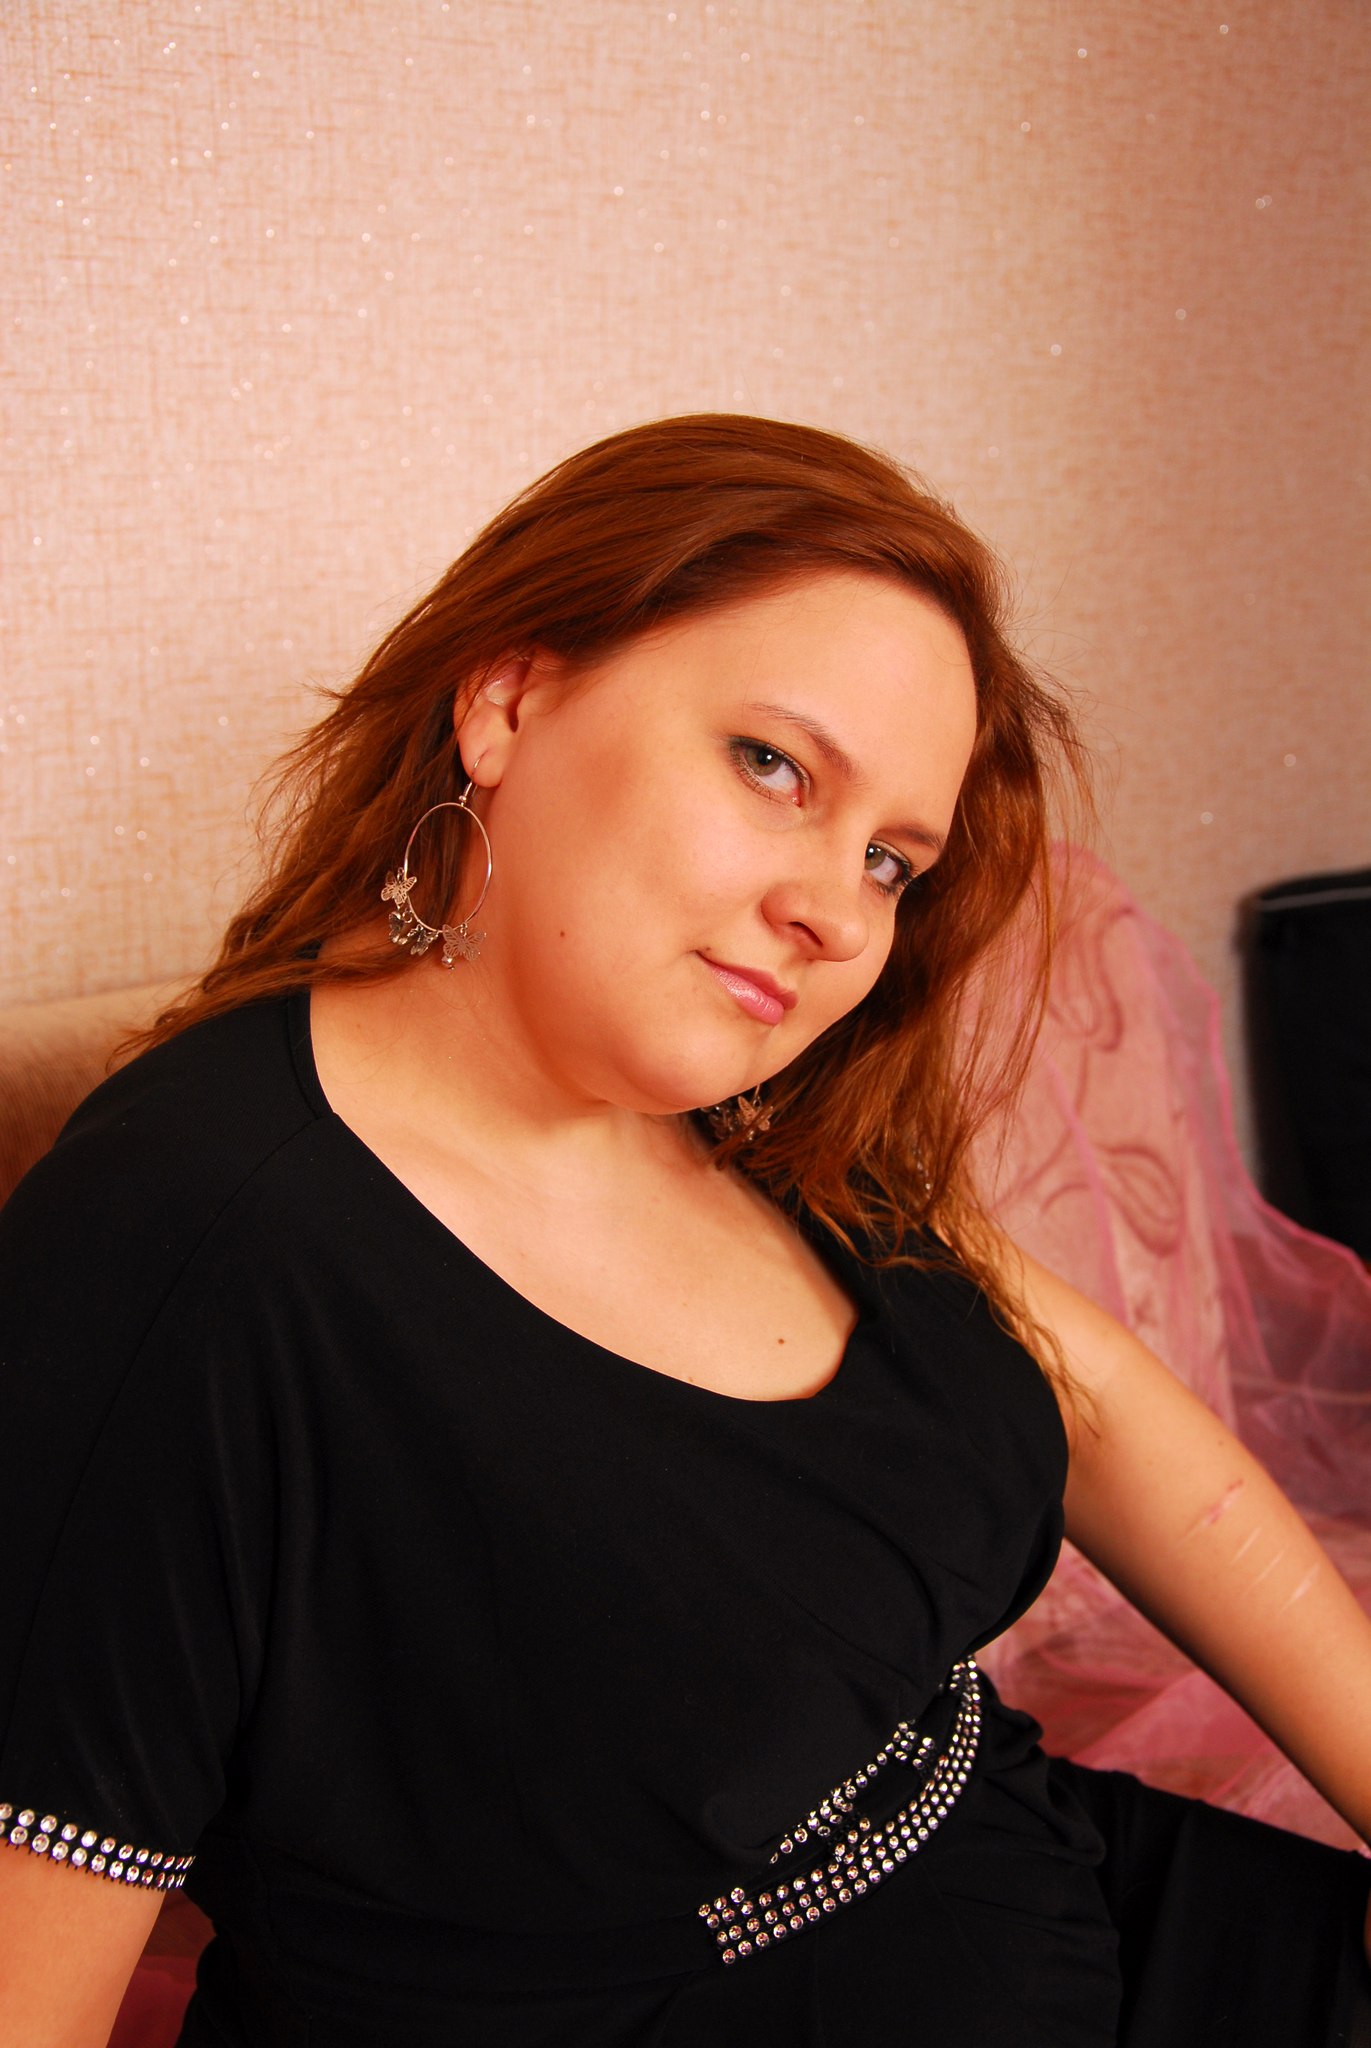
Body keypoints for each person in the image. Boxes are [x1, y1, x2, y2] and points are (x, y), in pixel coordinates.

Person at [0, 414, 1367, 2048]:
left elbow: (1098, 1415)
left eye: (892, 861)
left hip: (1072, 1889)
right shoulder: (189, 1235)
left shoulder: (756, 1105)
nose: (838, 913)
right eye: (773, 766)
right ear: (508, 703)